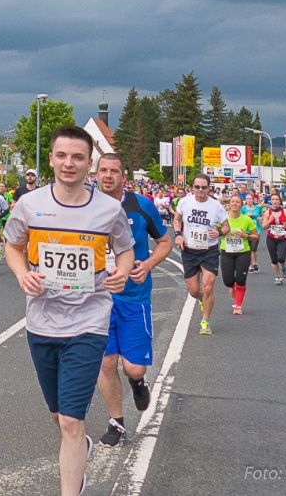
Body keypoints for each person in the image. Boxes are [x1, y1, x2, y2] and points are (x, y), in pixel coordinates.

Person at [5, 126, 136, 495]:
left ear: (89, 163)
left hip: (88, 321)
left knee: (71, 423)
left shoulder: (109, 210)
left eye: (78, 157)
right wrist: (21, 273)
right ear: (51, 159)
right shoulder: (29, 205)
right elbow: (13, 247)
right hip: (41, 322)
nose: (69, 163)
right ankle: (81, 449)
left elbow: (125, 250)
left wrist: (122, 273)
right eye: (62, 155)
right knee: (58, 416)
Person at [92, 154, 171, 449]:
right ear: (95, 173)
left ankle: (138, 383)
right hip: (97, 299)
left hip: (134, 297)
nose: (108, 175)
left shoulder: (141, 205)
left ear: (124, 176)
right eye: (103, 171)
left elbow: (165, 242)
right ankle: (117, 422)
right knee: (106, 362)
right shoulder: (85, 205)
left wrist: (148, 264)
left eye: (114, 171)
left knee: (133, 368)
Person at [173, 174, 229, 335]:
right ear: (193, 187)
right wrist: (178, 234)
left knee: (208, 286)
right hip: (189, 250)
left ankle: (205, 321)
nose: (200, 190)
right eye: (197, 187)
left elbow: (227, 227)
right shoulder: (185, 202)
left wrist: (218, 232)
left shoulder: (215, 205)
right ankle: (201, 300)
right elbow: (177, 219)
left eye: (204, 187)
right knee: (193, 290)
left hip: (209, 250)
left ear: (209, 188)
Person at [220, 195, 259, 316]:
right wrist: (222, 234)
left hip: (243, 252)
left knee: (241, 280)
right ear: (229, 204)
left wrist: (245, 236)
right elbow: (214, 231)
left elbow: (256, 236)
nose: (235, 204)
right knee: (227, 280)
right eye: (233, 202)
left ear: (241, 205)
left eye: (237, 202)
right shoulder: (223, 218)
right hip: (227, 252)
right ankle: (232, 287)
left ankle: (238, 306)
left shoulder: (246, 219)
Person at [260, 192, 286, 285]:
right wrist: (269, 221)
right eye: (273, 200)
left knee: (281, 258)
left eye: (276, 199)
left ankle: (284, 267)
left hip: (282, 238)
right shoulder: (268, 213)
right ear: (270, 201)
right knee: (274, 259)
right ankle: (278, 277)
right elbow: (263, 227)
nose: (275, 201)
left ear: (279, 201)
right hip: (271, 238)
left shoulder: (285, 212)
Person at [240, 194, 264, 273]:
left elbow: (263, 217)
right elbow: (240, 218)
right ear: (245, 200)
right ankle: (250, 265)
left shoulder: (258, 207)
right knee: (248, 249)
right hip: (246, 231)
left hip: (256, 230)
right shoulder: (243, 209)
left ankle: (255, 263)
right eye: (247, 199)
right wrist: (247, 215)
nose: (249, 200)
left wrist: (260, 218)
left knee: (254, 248)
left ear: (253, 200)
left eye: (250, 198)